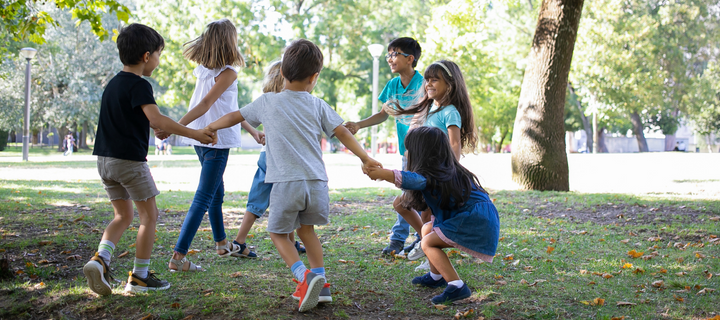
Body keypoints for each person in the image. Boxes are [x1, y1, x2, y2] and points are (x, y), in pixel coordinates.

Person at [206, 39, 382, 312]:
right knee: (307, 231)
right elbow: (343, 132)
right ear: (314, 78)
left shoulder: (267, 102)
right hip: (317, 183)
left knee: (277, 232)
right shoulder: (317, 104)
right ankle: (321, 285)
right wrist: (365, 157)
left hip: (286, 183)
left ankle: (305, 276)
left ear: (282, 74)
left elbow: (234, 116)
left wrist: (212, 127)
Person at [83, 23, 214, 296]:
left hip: (104, 162)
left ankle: (101, 259)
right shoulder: (140, 85)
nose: (158, 60)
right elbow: (156, 119)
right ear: (146, 56)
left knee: (122, 215)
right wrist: (195, 133)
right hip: (129, 163)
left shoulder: (112, 85)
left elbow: (140, 121)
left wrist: (159, 127)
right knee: (149, 216)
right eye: (158, 54)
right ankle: (140, 277)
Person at [158, 19, 263, 272]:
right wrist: (173, 126)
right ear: (230, 41)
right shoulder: (227, 72)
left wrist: (252, 129)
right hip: (215, 140)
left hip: (201, 139)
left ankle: (221, 244)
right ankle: (178, 256)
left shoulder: (204, 70)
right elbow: (205, 105)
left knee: (217, 192)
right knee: (204, 197)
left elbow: (229, 108)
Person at [366, 126, 499, 304]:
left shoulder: (433, 175)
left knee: (427, 242)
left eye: (409, 149)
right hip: (475, 218)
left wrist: (384, 174)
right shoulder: (445, 170)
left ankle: (457, 286)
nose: (406, 153)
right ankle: (436, 277)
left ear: (421, 153)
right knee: (427, 229)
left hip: (474, 220)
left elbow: (413, 179)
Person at [385, 60, 478, 266]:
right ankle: (424, 241)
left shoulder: (450, 112)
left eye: (435, 79)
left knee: (427, 215)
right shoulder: (429, 109)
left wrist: (450, 172)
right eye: (427, 80)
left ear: (450, 85)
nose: (429, 83)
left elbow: (454, 144)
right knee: (401, 205)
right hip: (422, 173)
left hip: (438, 175)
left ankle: (430, 253)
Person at [344, 37, 424, 257]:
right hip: (406, 152)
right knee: (408, 195)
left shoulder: (424, 83)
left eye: (394, 54)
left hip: (424, 153)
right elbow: (383, 114)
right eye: (388, 54)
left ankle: (402, 240)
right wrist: (358, 125)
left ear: (410, 59)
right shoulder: (392, 85)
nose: (390, 58)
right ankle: (417, 238)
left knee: (411, 196)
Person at [229, 61, 307, 260]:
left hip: (267, 155)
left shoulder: (267, 100)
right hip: (280, 158)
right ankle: (240, 242)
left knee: (263, 199)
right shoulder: (290, 101)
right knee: (283, 198)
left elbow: (241, 115)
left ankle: (241, 241)